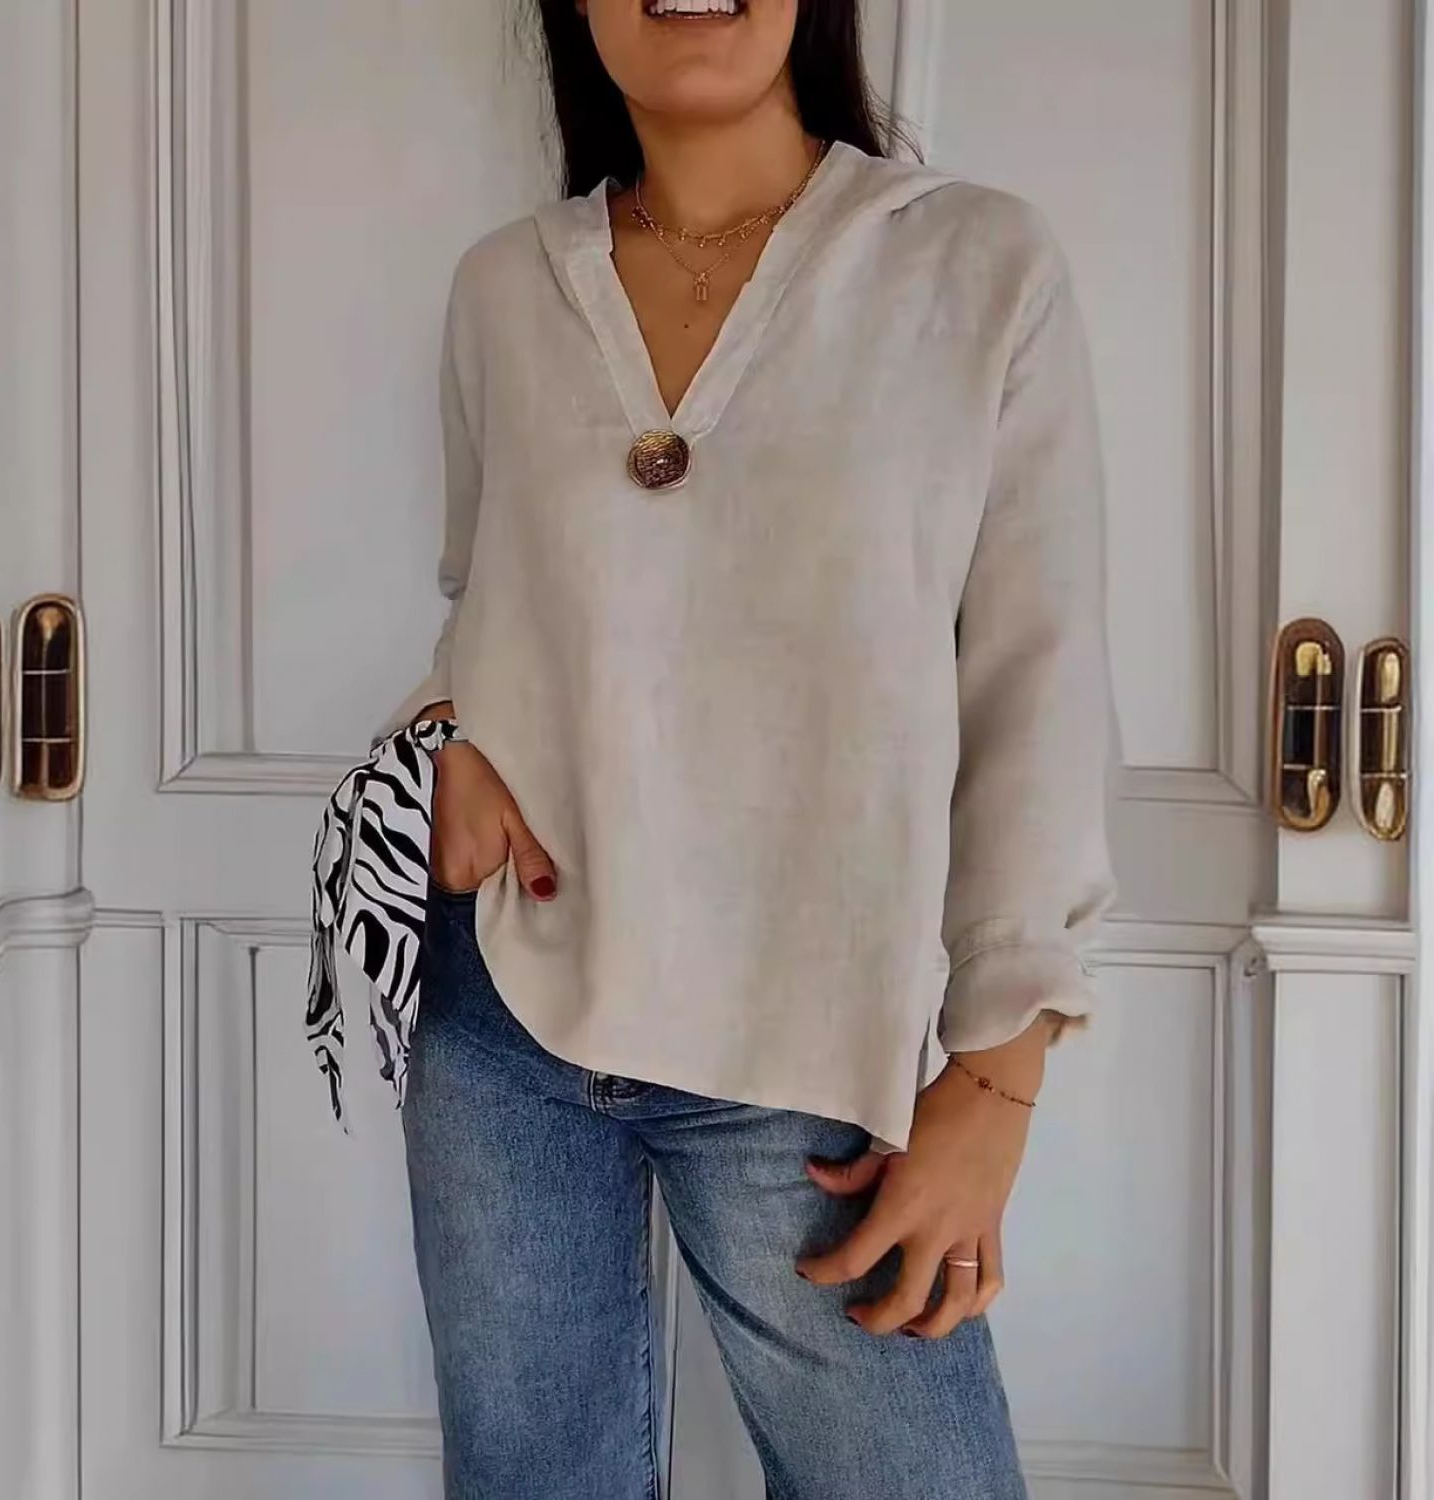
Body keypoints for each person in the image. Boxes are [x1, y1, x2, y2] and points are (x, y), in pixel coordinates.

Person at [307, 1, 1120, 1495]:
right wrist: (444, 739)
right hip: (504, 1022)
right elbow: (485, 607)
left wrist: (995, 1086)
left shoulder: (974, 264)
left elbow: (1038, 681)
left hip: (808, 1049)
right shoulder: (504, 288)